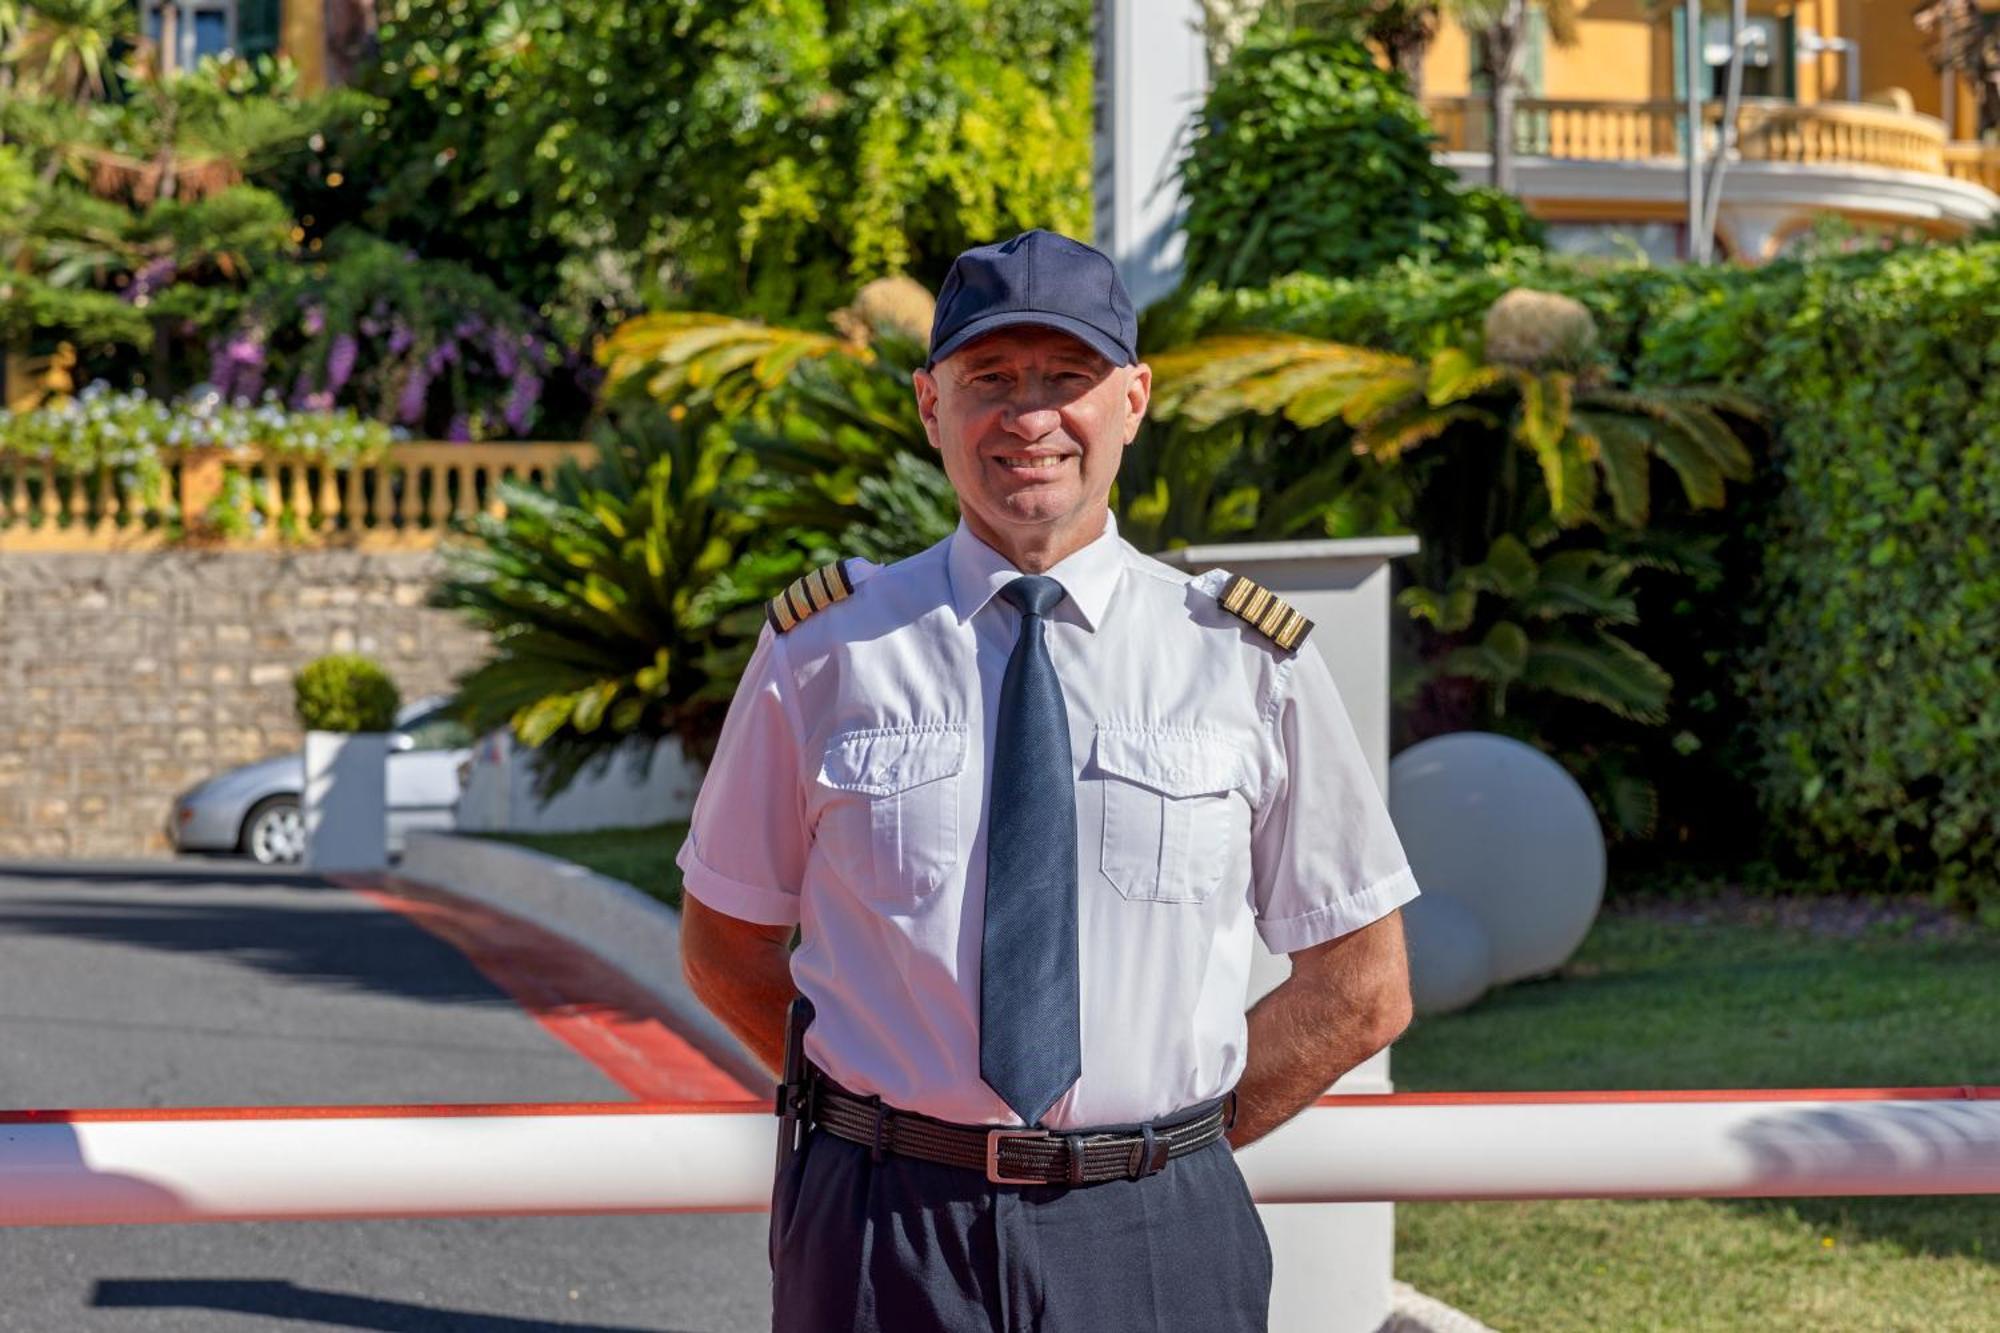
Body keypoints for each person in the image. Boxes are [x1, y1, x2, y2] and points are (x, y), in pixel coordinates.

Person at [678, 228, 1418, 1333]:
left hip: (1155, 1230)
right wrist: (880, 1115)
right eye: (989, 380)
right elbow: (724, 943)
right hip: (884, 1230)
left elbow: (1361, 986)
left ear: (1132, 398)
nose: (1029, 417)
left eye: (1065, 377)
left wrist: (1161, 1137)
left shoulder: (1241, 661)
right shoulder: (824, 654)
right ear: (930, 406)